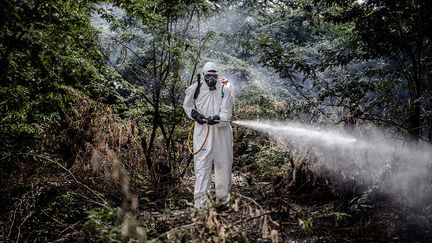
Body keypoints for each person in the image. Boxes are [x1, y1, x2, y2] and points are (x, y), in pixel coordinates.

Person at [183, 62, 234, 211]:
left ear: (217, 76)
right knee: (201, 167)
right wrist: (196, 115)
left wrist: (217, 119)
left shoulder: (225, 90)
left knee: (223, 166)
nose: (211, 78)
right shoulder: (195, 89)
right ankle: (201, 205)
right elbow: (187, 106)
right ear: (203, 76)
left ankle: (223, 202)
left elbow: (226, 113)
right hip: (202, 133)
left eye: (214, 75)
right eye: (208, 76)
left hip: (222, 134)